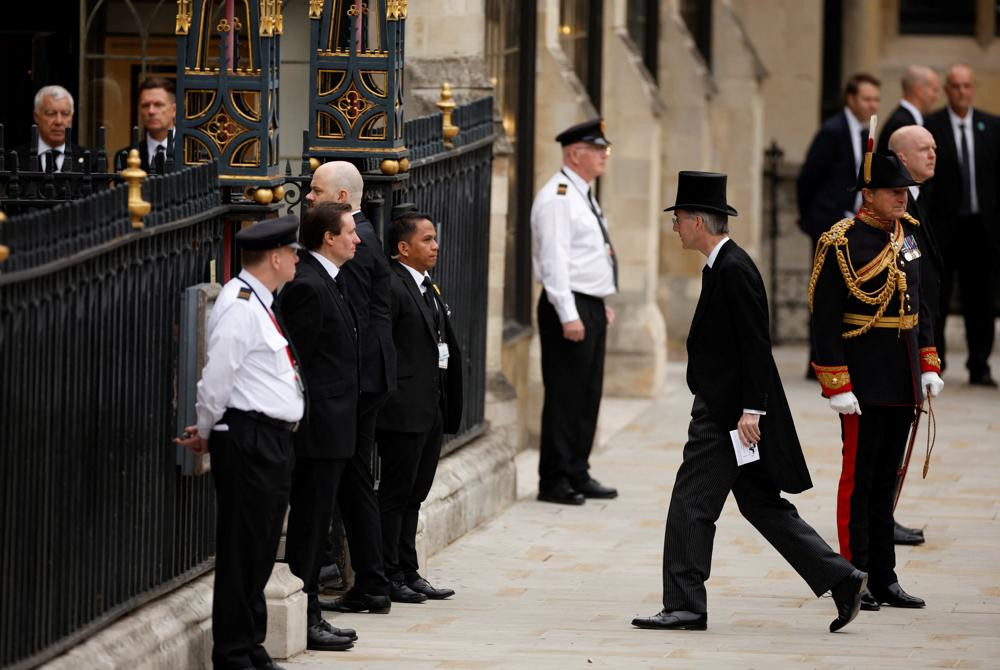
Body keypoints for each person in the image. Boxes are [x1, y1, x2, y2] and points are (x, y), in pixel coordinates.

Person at [631, 171, 866, 634]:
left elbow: (757, 345)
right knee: (761, 505)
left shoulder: (735, 269)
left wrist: (750, 412)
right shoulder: (723, 265)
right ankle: (841, 578)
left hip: (728, 416)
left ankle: (684, 604)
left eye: (678, 219)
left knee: (690, 502)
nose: (674, 228)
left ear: (698, 221)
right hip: (734, 410)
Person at [809, 148, 945, 612]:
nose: (902, 198)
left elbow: (920, 305)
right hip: (863, 378)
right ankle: (855, 575)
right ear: (868, 195)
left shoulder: (908, 236)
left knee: (888, 481)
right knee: (859, 479)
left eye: (905, 190)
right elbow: (825, 319)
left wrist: (928, 362)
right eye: (893, 191)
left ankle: (885, 577)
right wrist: (836, 383)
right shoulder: (841, 242)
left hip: (901, 373)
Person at [175, 215, 305, 670]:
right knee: (242, 549)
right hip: (249, 439)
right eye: (292, 253)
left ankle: (251, 644)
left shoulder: (261, 301)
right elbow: (217, 378)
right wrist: (207, 431)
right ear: (274, 257)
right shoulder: (241, 302)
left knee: (260, 547)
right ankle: (232, 653)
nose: (295, 259)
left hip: (267, 439)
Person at [301, 162, 397, 614]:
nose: (308, 196)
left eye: (316, 189)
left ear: (341, 198)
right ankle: (368, 579)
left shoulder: (355, 241)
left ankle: (370, 582)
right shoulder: (360, 233)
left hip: (359, 379)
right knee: (354, 479)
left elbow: (351, 320)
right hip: (364, 376)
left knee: (352, 480)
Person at [276, 202, 361, 652]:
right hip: (318, 431)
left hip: (335, 428)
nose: (358, 238)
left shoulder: (331, 279)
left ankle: (313, 611)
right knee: (308, 528)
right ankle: (305, 614)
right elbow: (298, 362)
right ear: (328, 237)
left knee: (318, 526)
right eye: (349, 231)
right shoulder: (308, 284)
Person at [530, 118, 619, 505]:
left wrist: (599, 301)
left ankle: (577, 470)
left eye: (604, 149)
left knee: (588, 393)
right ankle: (553, 479)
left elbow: (587, 255)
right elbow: (555, 262)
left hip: (588, 303)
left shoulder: (582, 192)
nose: (603, 156)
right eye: (597, 150)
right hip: (567, 304)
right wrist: (569, 313)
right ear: (574, 154)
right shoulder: (558, 197)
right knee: (566, 395)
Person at [376, 211, 463, 603]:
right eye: (427, 240)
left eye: (434, 238)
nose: (435, 245)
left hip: (430, 408)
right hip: (404, 411)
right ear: (403, 248)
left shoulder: (428, 286)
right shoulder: (393, 286)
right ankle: (388, 572)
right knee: (396, 493)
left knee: (416, 493)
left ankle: (408, 570)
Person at [797, 73, 881, 378]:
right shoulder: (833, 131)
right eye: (867, 99)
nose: (873, 104)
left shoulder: (864, 132)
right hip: (827, 223)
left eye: (876, 99)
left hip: (853, 224)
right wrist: (809, 218)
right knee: (823, 292)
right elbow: (809, 177)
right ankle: (817, 359)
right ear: (851, 99)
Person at [885, 124, 943, 547]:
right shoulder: (893, 212)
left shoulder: (921, 202)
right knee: (885, 444)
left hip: (917, 336)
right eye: (924, 148)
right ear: (901, 159)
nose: (933, 154)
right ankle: (881, 516)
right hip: (894, 344)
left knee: (901, 434)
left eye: (935, 148)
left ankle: (886, 513)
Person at [925, 63, 999, 387]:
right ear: (946, 90)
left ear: (973, 89)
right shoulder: (931, 126)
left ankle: (979, 365)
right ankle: (936, 362)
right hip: (944, 229)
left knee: (981, 300)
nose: (961, 92)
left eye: (967, 86)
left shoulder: (991, 126)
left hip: (982, 229)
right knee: (938, 298)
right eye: (955, 86)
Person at [13, 85, 91, 172]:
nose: (58, 121)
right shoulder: (13, 159)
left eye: (65, 113)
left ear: (72, 117)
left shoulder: (91, 160)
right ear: (36, 116)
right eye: (50, 113)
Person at [115, 77, 177, 173]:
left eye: (158, 105)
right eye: (145, 105)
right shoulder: (125, 156)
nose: (151, 111)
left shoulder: (191, 154)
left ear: (174, 110)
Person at [875, 65, 940, 154]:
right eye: (934, 90)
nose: (936, 97)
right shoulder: (901, 125)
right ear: (919, 90)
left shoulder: (908, 119)